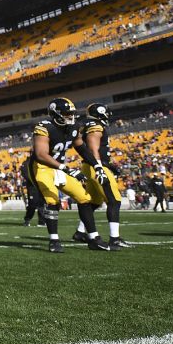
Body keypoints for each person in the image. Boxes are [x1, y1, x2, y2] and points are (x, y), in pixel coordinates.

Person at [29, 97, 108, 253]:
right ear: (55, 113)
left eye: (71, 113)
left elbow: (82, 148)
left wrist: (97, 166)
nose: (70, 116)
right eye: (66, 113)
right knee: (53, 200)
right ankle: (54, 240)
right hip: (42, 167)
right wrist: (66, 168)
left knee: (84, 198)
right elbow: (41, 155)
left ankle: (93, 238)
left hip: (60, 168)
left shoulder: (74, 127)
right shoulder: (44, 127)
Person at [73, 103, 133, 249]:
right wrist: (99, 166)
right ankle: (115, 238)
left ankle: (80, 232)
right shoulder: (95, 126)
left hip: (89, 166)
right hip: (95, 166)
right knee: (114, 200)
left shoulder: (87, 124)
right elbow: (94, 147)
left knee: (94, 202)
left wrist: (109, 165)